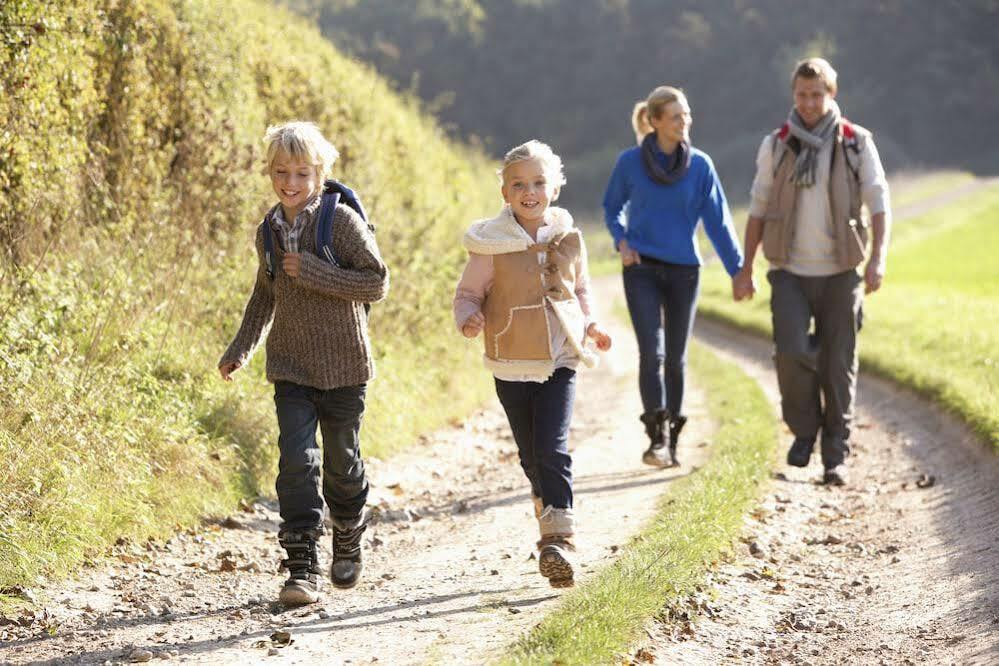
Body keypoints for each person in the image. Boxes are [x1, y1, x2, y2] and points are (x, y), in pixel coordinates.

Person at [218, 121, 389, 606]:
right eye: (280, 171)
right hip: (290, 367)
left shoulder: (339, 224)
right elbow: (263, 296)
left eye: (300, 172)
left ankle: (349, 528)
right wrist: (240, 349)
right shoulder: (268, 230)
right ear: (269, 173)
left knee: (341, 463)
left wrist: (313, 271)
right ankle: (301, 568)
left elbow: (376, 282)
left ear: (319, 172)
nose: (289, 182)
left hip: (345, 368)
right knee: (296, 463)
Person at [454, 140, 612, 588]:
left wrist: (592, 324)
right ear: (505, 193)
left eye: (539, 182)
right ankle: (547, 517)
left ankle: (559, 539)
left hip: (561, 358)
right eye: (519, 184)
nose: (530, 191)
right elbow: (467, 294)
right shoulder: (492, 245)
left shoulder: (565, 237)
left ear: (555, 187)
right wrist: (469, 318)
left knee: (552, 446)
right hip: (510, 362)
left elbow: (580, 290)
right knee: (530, 456)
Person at [732, 57, 891, 486]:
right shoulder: (777, 144)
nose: (808, 103)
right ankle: (805, 432)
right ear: (793, 95)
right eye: (801, 95)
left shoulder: (856, 142)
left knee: (839, 363)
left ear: (831, 94)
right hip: (789, 270)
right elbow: (759, 206)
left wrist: (878, 258)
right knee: (791, 350)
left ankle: (835, 455)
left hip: (841, 271)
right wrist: (745, 268)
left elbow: (878, 201)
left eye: (816, 95)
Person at [603, 86, 743, 468]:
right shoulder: (629, 163)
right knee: (652, 353)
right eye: (677, 116)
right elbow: (611, 208)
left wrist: (738, 269)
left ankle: (674, 442)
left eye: (687, 115)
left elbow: (718, 221)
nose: (685, 122)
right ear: (655, 122)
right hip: (642, 269)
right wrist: (622, 241)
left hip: (684, 271)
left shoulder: (700, 166)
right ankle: (656, 439)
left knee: (676, 360)